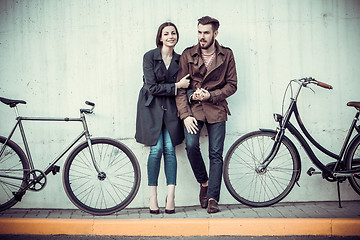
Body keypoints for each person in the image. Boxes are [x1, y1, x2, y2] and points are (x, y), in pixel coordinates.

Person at [175, 16, 237, 214]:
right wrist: (185, 115)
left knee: (215, 154)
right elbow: (180, 89)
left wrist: (212, 94)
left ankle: (212, 197)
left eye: (206, 33)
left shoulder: (226, 55)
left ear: (215, 33)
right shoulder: (187, 55)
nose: (202, 37)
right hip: (194, 110)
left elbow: (232, 85)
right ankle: (204, 182)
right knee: (191, 146)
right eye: (199, 32)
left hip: (217, 108)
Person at [135, 22, 190, 214]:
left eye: (173, 33)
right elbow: (152, 88)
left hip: (172, 108)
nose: (170, 36)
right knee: (156, 149)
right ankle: (153, 197)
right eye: (166, 33)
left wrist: (182, 88)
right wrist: (176, 86)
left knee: (169, 148)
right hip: (151, 108)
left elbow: (187, 85)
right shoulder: (149, 57)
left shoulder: (180, 58)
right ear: (160, 37)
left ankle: (171, 196)